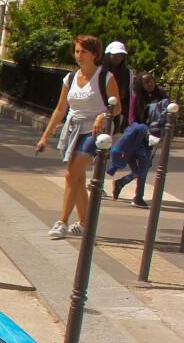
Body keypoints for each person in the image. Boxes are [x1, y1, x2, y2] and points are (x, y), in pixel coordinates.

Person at [37, 35, 121, 239]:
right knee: (78, 177)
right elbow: (60, 109)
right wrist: (45, 136)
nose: (79, 55)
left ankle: (62, 222)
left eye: (83, 51)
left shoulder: (105, 77)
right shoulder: (70, 78)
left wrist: (103, 115)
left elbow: (117, 106)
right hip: (72, 129)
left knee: (71, 174)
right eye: (76, 51)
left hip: (94, 131)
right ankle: (84, 223)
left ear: (94, 54)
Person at [108, 71, 170, 208]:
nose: (150, 84)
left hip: (149, 139)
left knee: (143, 168)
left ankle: (126, 187)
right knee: (140, 170)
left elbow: (166, 112)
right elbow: (131, 121)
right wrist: (144, 131)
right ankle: (136, 196)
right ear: (140, 85)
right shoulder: (136, 98)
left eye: (151, 80)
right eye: (146, 82)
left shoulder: (161, 93)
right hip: (135, 138)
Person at [102, 41, 132, 132]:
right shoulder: (100, 71)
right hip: (102, 106)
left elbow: (128, 93)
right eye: (115, 55)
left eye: (121, 55)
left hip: (118, 109)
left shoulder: (127, 73)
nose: (118, 58)